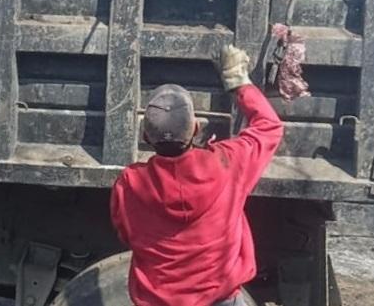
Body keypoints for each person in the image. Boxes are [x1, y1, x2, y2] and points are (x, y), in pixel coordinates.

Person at [110, 44, 285, 306]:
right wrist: (238, 81)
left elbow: (126, 233)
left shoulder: (129, 184)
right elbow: (269, 126)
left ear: (146, 137)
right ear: (196, 129)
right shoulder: (228, 164)